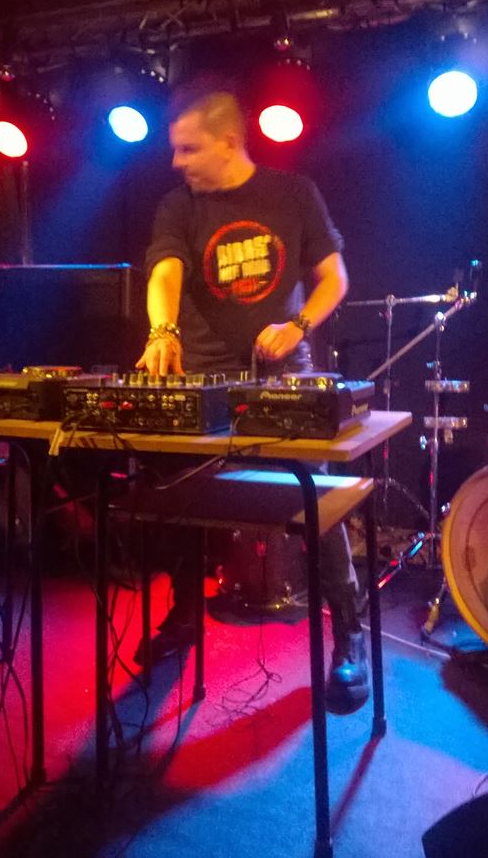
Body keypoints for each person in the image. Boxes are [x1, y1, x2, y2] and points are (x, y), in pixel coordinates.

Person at [135, 81, 368, 713]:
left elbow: (334, 278)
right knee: (180, 497)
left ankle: (348, 633)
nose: (177, 162)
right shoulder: (178, 206)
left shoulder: (294, 193)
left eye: (188, 149)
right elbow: (164, 272)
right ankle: (185, 615)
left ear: (230, 142)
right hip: (204, 376)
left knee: (319, 503)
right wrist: (162, 331)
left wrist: (297, 325)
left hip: (284, 371)